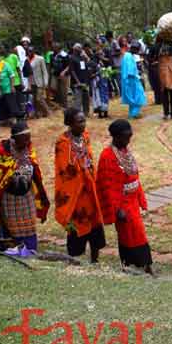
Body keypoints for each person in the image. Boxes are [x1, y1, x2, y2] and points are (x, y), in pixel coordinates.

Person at [0, 121, 49, 254]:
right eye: (25, 138)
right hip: (9, 197)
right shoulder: (2, 153)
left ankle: (29, 249)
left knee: (29, 226)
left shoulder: (28, 149)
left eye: (29, 137)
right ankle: (16, 248)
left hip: (26, 194)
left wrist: (42, 195)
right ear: (15, 138)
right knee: (12, 227)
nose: (28, 141)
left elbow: (35, 172)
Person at [97, 119, 153, 273]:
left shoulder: (124, 151)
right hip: (122, 204)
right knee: (129, 235)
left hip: (133, 202)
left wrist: (141, 200)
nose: (129, 140)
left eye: (130, 136)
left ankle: (141, 265)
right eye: (126, 137)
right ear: (116, 136)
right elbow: (107, 186)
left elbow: (134, 176)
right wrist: (117, 209)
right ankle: (135, 264)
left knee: (138, 232)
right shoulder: (107, 156)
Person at [55, 108, 105, 262]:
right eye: (80, 121)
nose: (84, 124)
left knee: (95, 225)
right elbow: (64, 170)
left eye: (84, 120)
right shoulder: (63, 143)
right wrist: (81, 172)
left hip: (90, 191)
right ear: (70, 123)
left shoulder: (85, 137)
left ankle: (95, 261)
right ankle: (74, 261)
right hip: (74, 195)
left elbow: (90, 162)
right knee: (77, 226)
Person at [121, 42, 147, 119]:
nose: (138, 52)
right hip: (131, 80)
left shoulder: (127, 55)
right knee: (139, 97)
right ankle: (133, 114)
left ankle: (132, 114)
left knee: (133, 98)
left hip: (129, 80)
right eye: (137, 50)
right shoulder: (128, 57)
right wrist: (138, 77)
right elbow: (130, 71)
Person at [157, 36, 172, 120]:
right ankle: (171, 114)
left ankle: (168, 113)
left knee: (167, 92)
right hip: (169, 69)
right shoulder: (165, 44)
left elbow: (151, 57)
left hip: (166, 69)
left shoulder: (159, 45)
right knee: (170, 91)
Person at [26, 47, 50, 119]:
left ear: (34, 51)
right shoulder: (26, 59)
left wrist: (45, 82)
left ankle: (47, 111)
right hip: (31, 82)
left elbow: (44, 71)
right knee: (34, 99)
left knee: (39, 99)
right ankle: (37, 113)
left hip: (40, 82)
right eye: (28, 51)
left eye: (31, 51)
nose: (30, 52)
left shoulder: (40, 59)